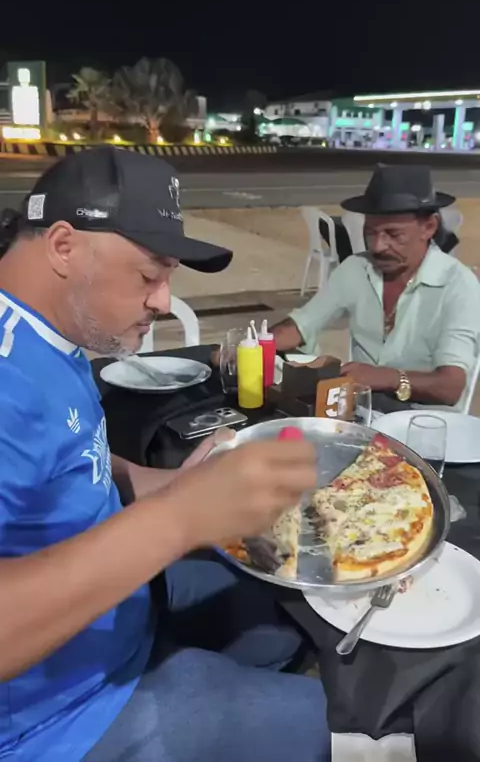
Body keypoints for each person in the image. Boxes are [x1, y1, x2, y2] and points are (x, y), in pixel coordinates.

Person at [0, 147, 330, 762]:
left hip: (120, 608)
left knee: (286, 616)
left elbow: (79, 462)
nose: (162, 300)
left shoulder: (51, 332)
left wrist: (180, 485)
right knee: (347, 728)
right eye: (149, 276)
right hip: (58, 719)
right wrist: (179, 518)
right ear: (64, 246)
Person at [273, 165, 480, 409]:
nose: (378, 246)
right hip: (363, 411)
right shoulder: (356, 269)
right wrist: (256, 345)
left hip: (426, 423)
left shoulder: (459, 286)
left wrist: (385, 377)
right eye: (370, 233)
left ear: (429, 227)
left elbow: (450, 387)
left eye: (393, 234)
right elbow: (302, 324)